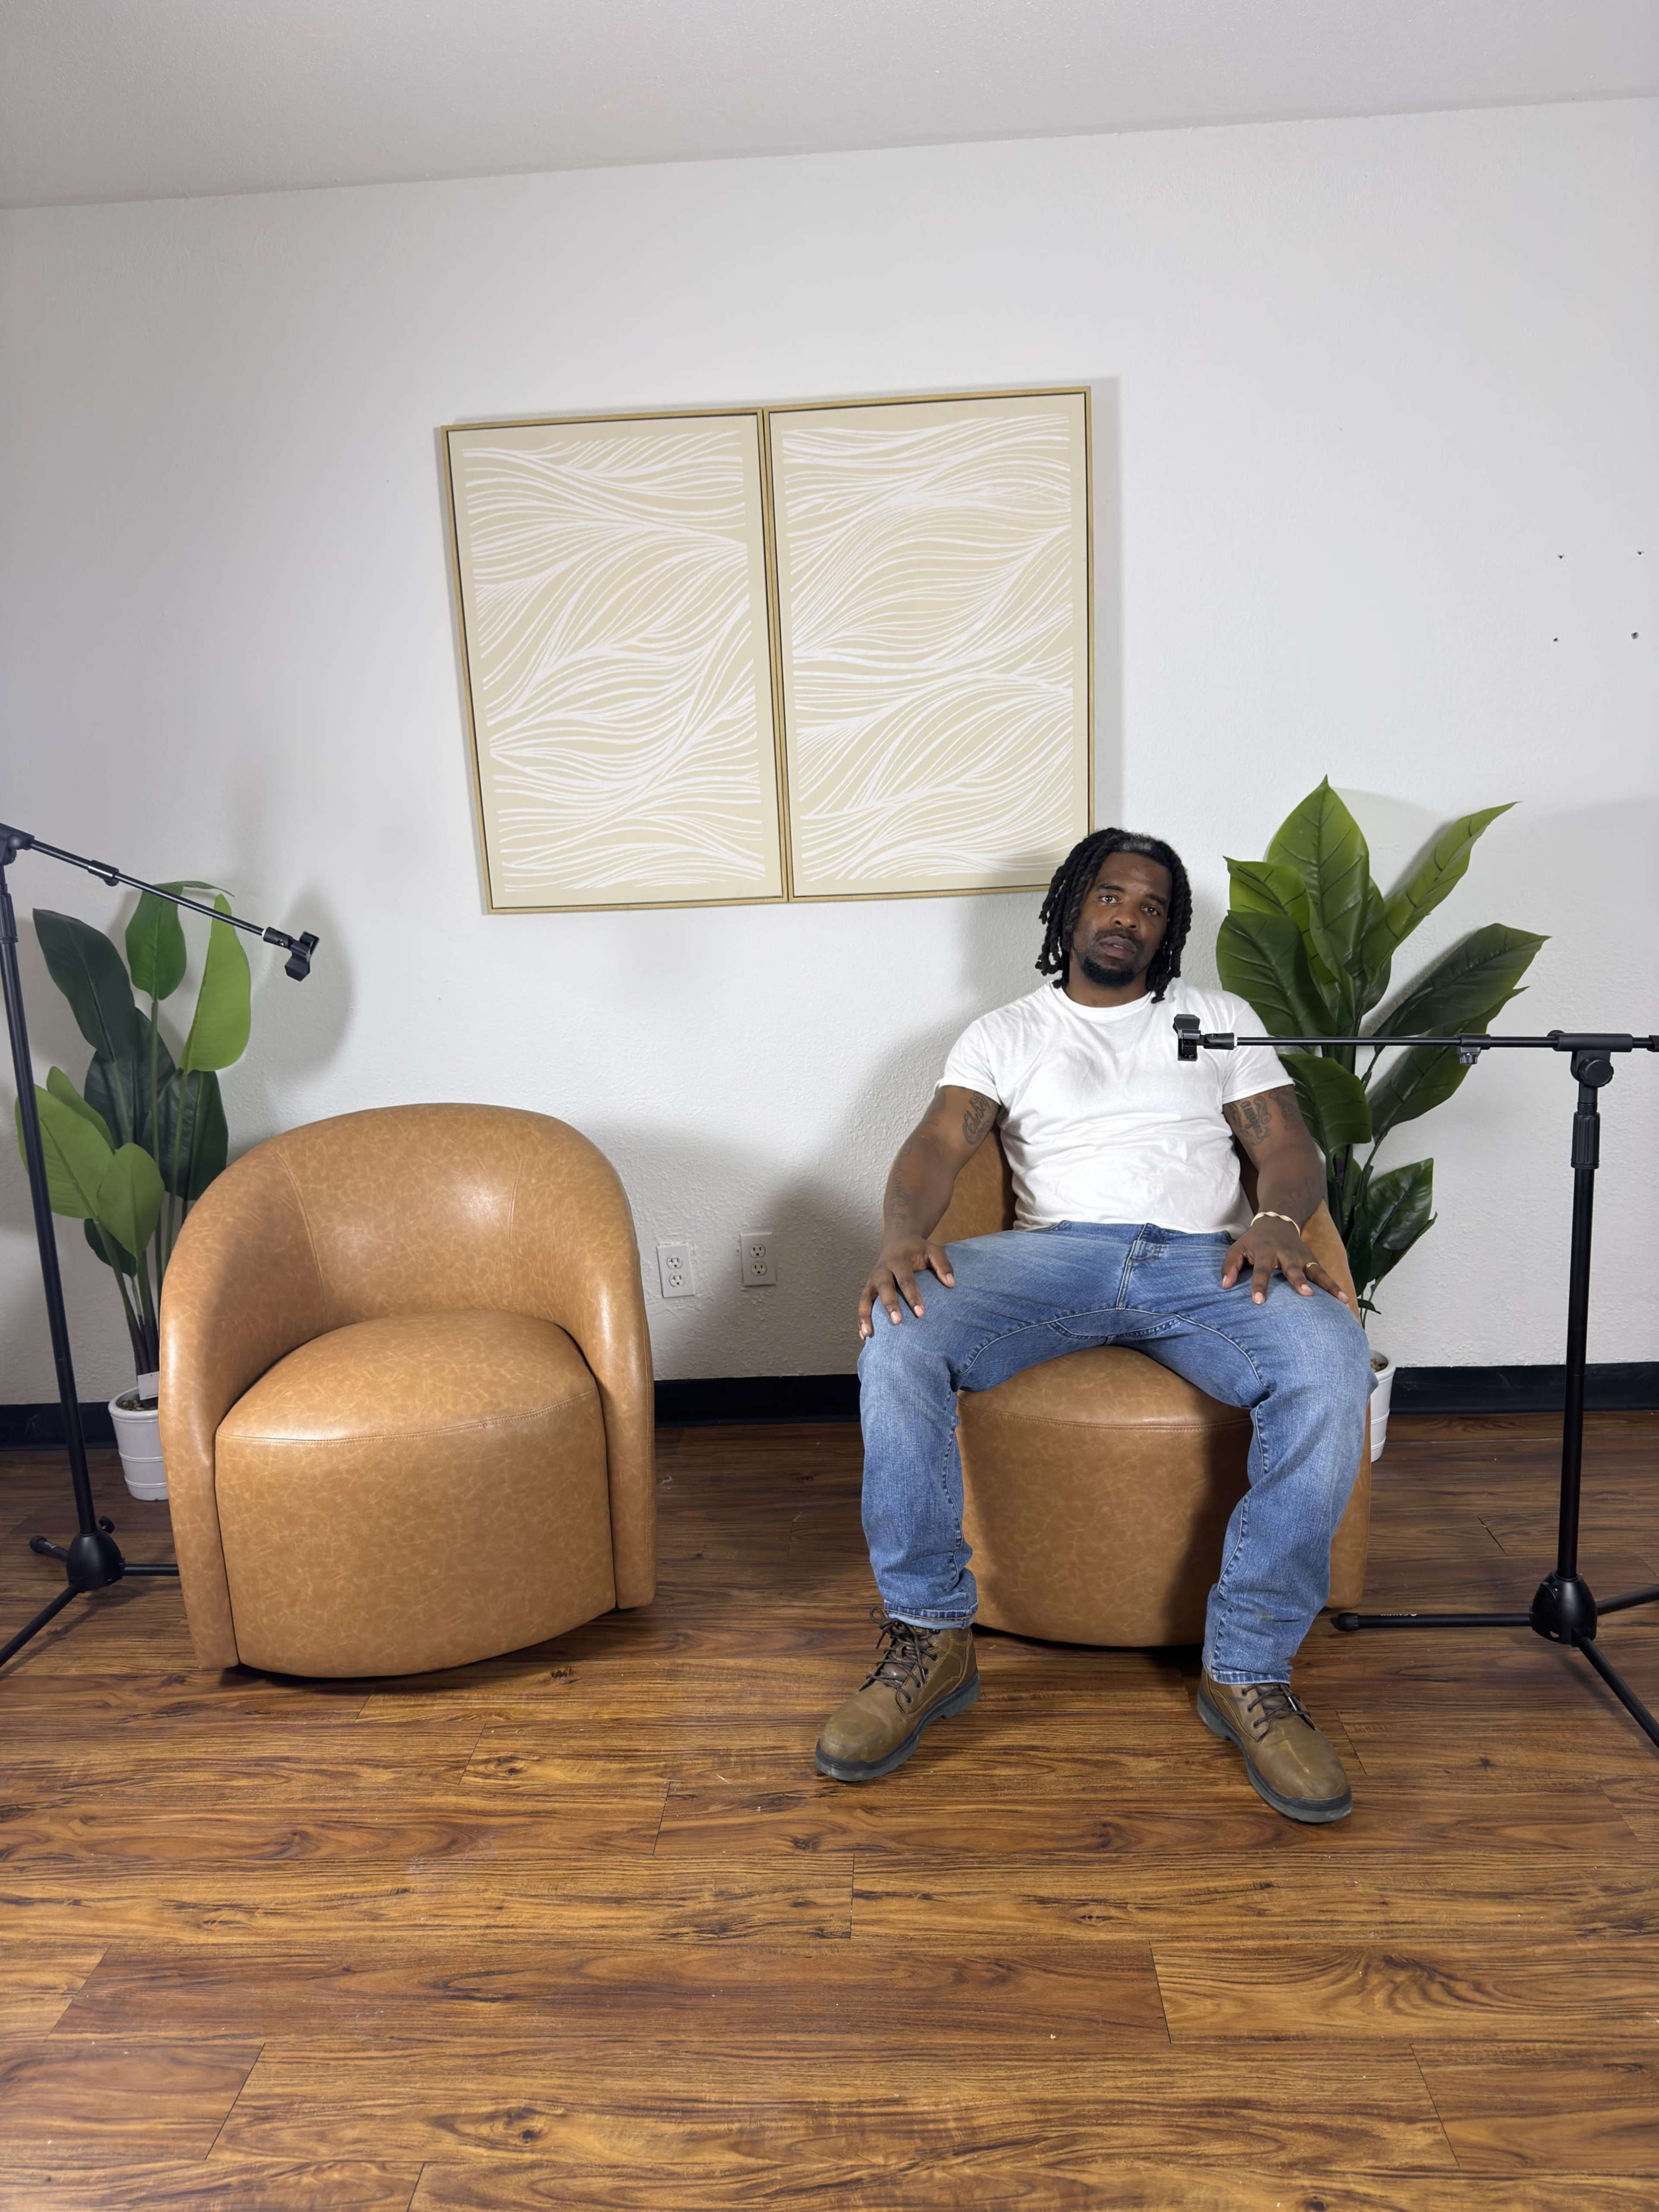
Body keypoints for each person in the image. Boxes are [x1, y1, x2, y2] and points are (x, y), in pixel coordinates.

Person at [816, 827, 1373, 1822]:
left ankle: (1248, 1666)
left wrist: (1281, 1218)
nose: (1129, 916)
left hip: (1207, 1261)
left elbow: (1285, 1141)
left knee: (1331, 1358)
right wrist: (902, 1237)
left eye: (1153, 906)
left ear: (1169, 932)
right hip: (1049, 1260)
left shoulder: (1217, 1018)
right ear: (1073, 905)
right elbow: (941, 1141)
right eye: (1112, 896)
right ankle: (929, 1639)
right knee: (898, 1330)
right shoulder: (1005, 1033)